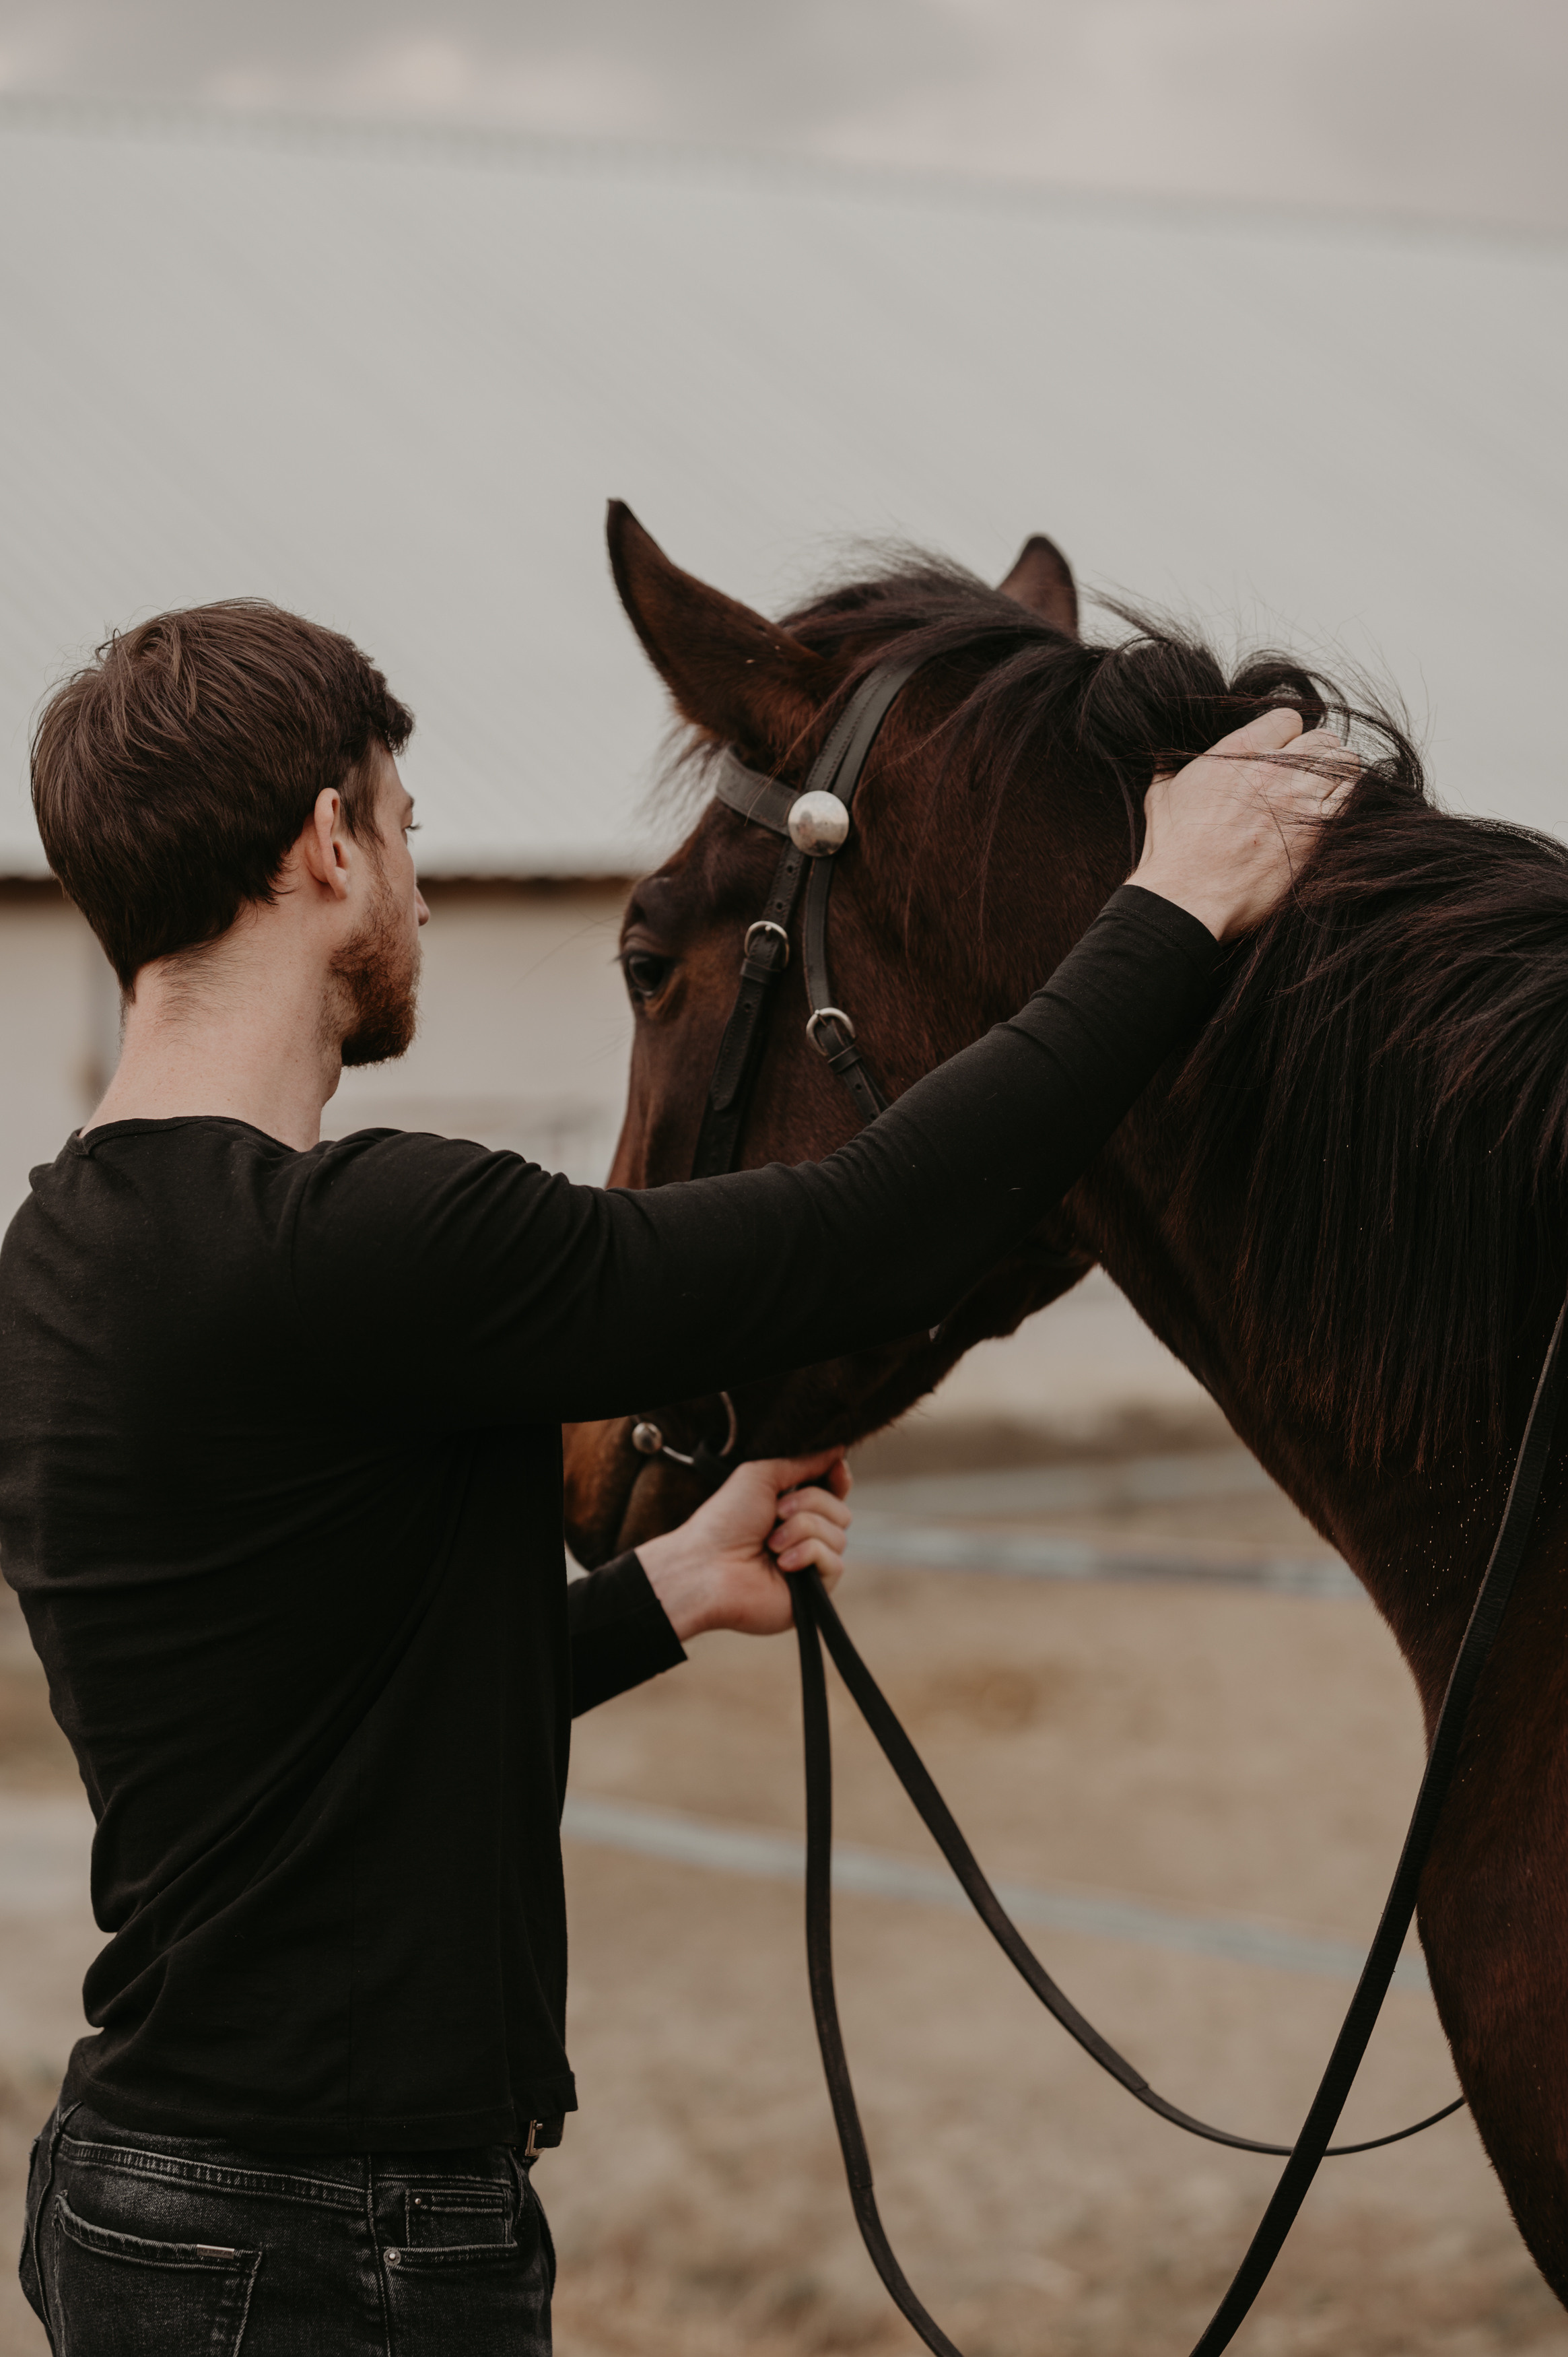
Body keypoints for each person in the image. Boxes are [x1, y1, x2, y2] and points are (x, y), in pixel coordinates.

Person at [0, 599, 1349, 2353]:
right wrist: (1169, 902)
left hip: (144, 2196)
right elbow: (861, 1237)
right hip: (337, 2237)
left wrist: (669, 1590)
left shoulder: (55, 1257)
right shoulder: (369, 1234)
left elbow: (318, 1733)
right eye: (404, 832)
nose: (419, 896)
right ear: (328, 843)